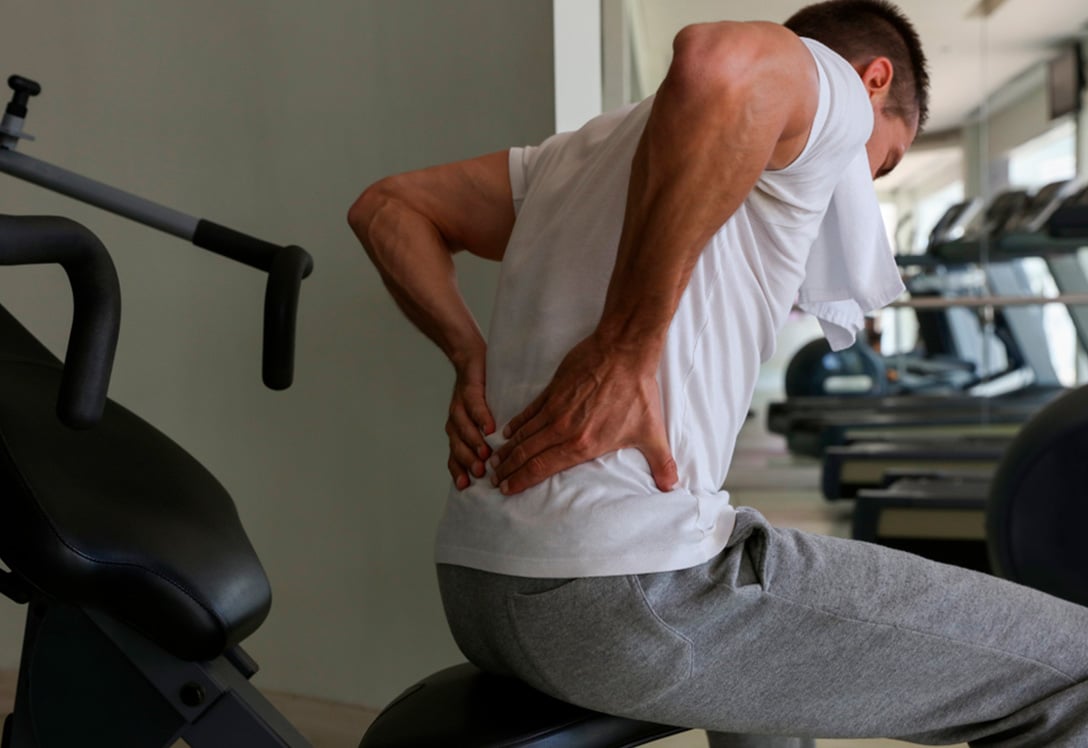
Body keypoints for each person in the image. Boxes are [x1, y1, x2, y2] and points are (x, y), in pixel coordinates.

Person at [349, 1, 1088, 745]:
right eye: (885, 161)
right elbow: (717, 60)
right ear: (873, 80)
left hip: (479, 587)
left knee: (763, 603)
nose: (867, 183)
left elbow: (389, 207)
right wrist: (623, 348)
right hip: (623, 591)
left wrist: (465, 355)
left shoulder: (576, 155)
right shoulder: (835, 93)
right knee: (1076, 666)